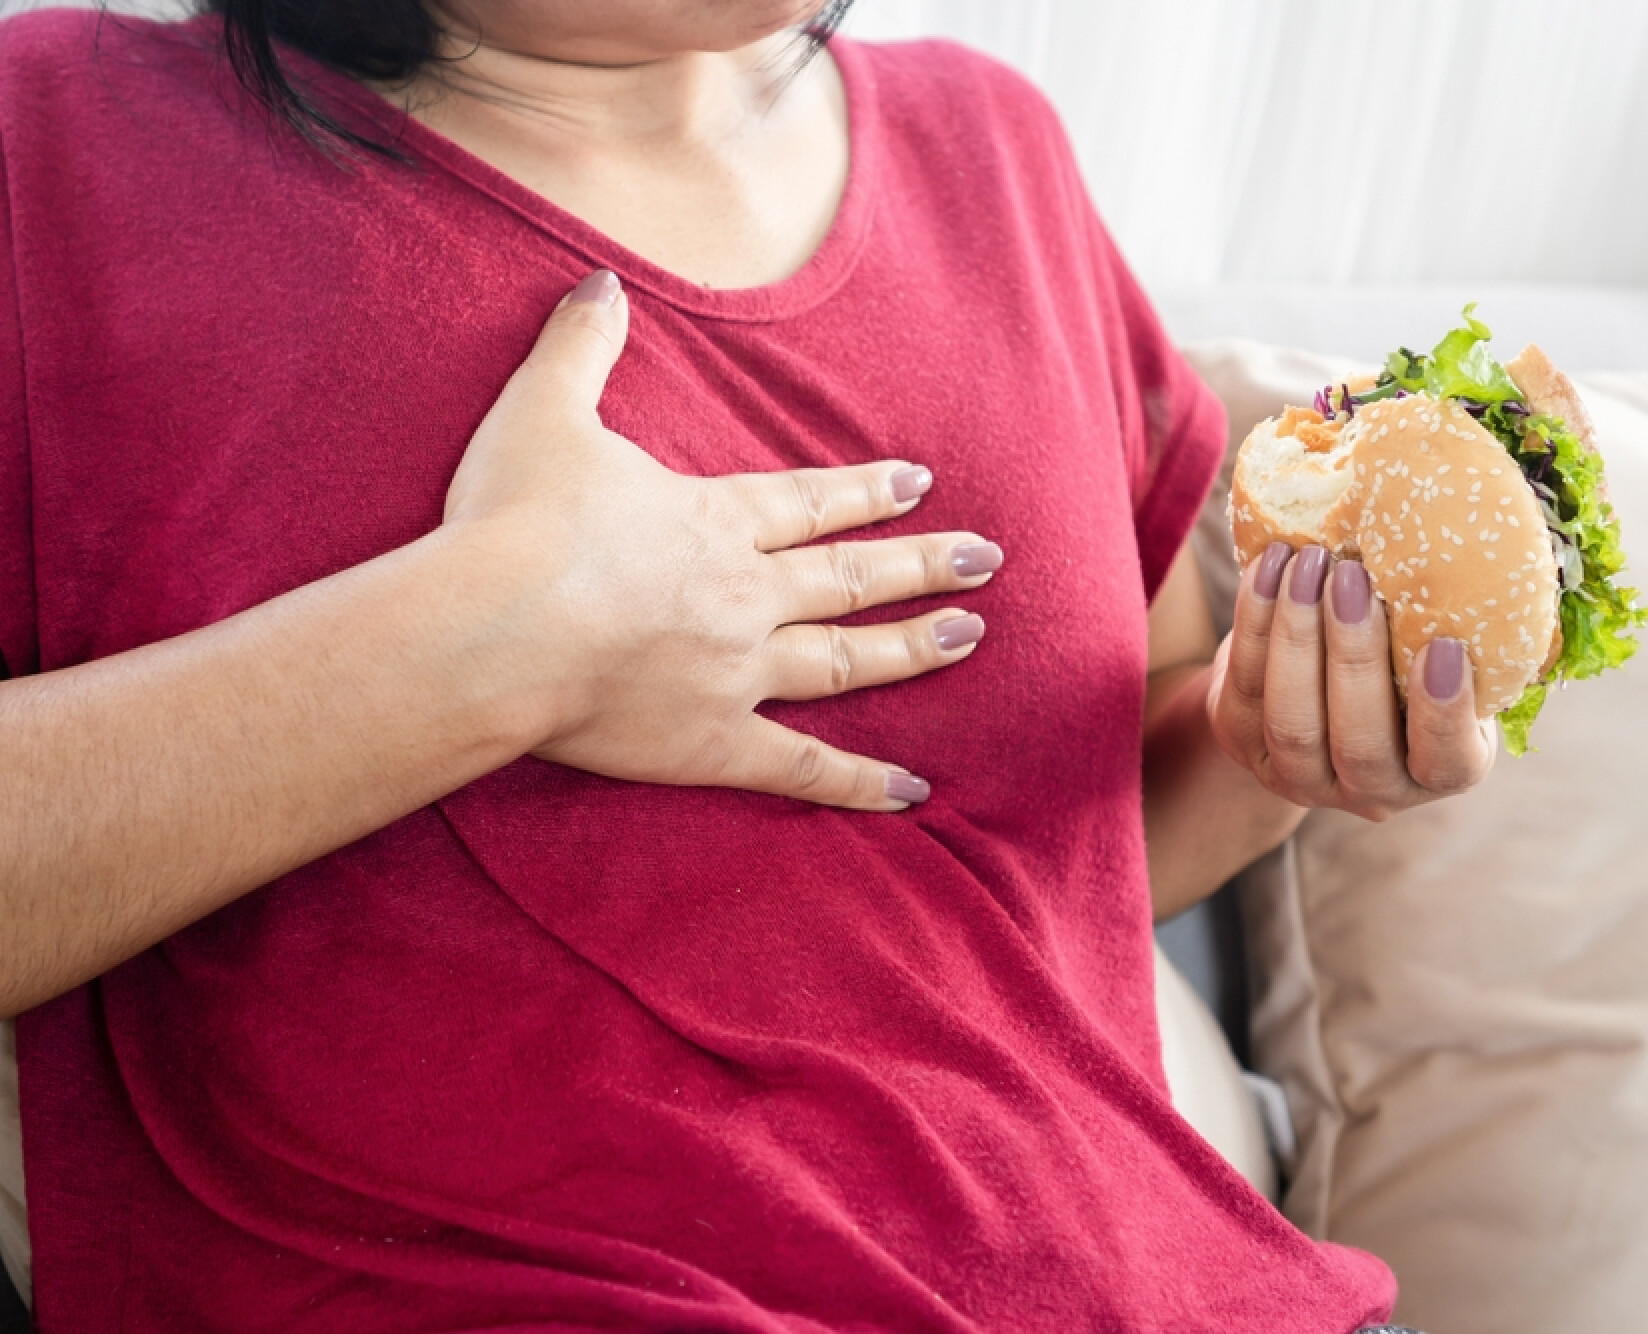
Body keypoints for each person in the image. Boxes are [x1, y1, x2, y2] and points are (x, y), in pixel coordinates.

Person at [0, 1, 1491, 1328]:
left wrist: (1280, 745)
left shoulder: (998, 151)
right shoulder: (54, 140)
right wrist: (500, 643)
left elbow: (1080, 868)